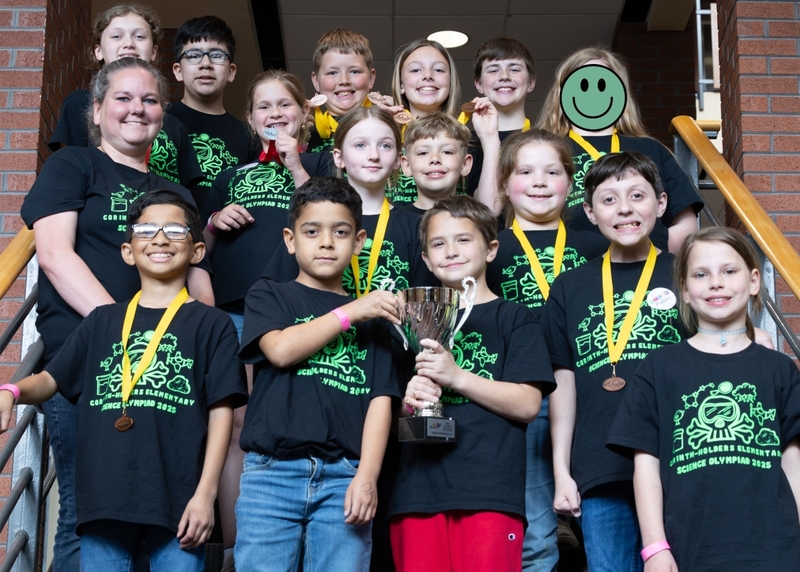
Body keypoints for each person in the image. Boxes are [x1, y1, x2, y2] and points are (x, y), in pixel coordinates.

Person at [20, 57, 213, 572]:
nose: (137, 109)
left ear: (162, 114)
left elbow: (199, 284)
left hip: (166, 374)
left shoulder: (177, 195)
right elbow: (56, 256)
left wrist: (201, 339)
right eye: (123, 98)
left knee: (164, 511)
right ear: (98, 110)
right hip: (86, 364)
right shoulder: (73, 166)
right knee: (88, 516)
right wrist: (121, 335)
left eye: (149, 100)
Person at [1, 190, 247, 571]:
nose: (160, 238)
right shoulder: (103, 320)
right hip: (104, 498)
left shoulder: (211, 324)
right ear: (128, 251)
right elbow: (50, 380)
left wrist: (206, 494)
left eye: (175, 230)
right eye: (146, 229)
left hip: (179, 500)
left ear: (198, 251)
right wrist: (12, 390)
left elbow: (221, 414)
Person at [200, 68, 333, 572]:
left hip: (301, 310)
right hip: (236, 309)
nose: (275, 114)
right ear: (251, 118)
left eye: (286, 106)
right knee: (237, 420)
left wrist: (298, 166)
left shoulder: (321, 163)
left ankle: (297, 531)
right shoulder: (230, 176)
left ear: (304, 114)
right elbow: (198, 250)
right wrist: (215, 221)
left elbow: (330, 216)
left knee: (295, 412)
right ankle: (237, 544)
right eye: (264, 107)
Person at [606, 226, 800, 571]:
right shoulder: (658, 368)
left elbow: (793, 461)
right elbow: (645, 465)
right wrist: (654, 547)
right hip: (689, 548)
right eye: (700, 274)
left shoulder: (780, 370)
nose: (716, 283)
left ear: (754, 281)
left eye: (729, 271)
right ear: (684, 289)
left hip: (775, 548)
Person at [235, 177, 401, 571]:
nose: (326, 242)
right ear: (291, 240)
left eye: (340, 232)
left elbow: (381, 401)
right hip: (271, 472)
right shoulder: (269, 294)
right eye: (312, 231)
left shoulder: (376, 318)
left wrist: (367, 476)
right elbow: (279, 350)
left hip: (345, 475)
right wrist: (349, 313)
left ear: (358, 242)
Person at [387, 195, 555, 572]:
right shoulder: (407, 320)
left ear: (491, 248)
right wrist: (408, 401)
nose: (451, 251)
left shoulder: (516, 318)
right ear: (426, 259)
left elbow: (528, 404)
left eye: (464, 239)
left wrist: (457, 377)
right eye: (438, 243)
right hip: (417, 492)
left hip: (489, 491)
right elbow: (390, 409)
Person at [541, 151, 686, 572]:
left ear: (660, 204)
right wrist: (562, 470)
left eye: (637, 195)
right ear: (589, 211)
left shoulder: (686, 274)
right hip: (600, 466)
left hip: (677, 462)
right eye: (609, 199)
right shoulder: (570, 287)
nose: (624, 209)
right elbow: (563, 388)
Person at [485, 128, 607, 572]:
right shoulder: (489, 251)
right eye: (525, 171)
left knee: (606, 519)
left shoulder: (598, 245)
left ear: (571, 185)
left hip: (594, 396)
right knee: (535, 532)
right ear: (503, 184)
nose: (539, 181)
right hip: (527, 398)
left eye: (552, 171)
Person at [536, 46, 703, 253]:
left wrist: (655, 260)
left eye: (604, 84)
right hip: (571, 272)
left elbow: (685, 223)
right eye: (582, 84)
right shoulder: (545, 151)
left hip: (648, 272)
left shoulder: (652, 149)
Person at [262, 106, 434, 296]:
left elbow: (423, 309)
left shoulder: (416, 226)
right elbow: (271, 293)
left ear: (397, 160)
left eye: (385, 145)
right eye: (360, 145)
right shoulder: (311, 222)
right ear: (339, 157)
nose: (374, 155)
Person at [47, 3, 202, 188]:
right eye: (116, 36)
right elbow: (67, 175)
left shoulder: (175, 127)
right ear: (98, 51)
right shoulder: (79, 103)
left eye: (139, 36)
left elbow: (189, 194)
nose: (129, 43)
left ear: (154, 51)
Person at [169, 15, 258, 206]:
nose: (206, 64)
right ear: (178, 71)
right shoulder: (158, 120)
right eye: (193, 55)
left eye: (217, 55)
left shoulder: (249, 137)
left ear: (231, 72)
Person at [465, 37, 537, 211]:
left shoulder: (545, 141)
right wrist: (489, 139)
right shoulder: (467, 145)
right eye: (493, 70)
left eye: (514, 69)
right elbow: (488, 209)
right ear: (479, 84)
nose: (504, 76)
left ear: (531, 82)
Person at [388, 39, 461, 205]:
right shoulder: (384, 142)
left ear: (450, 82)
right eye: (415, 70)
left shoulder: (468, 142)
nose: (428, 75)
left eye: (438, 69)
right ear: (401, 85)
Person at [307, 29, 376, 153]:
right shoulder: (305, 135)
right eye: (332, 73)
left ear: (371, 78)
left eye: (354, 71)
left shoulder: (390, 129)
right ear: (316, 81)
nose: (344, 80)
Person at [399, 112, 473, 217]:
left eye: (447, 152)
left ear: (465, 164)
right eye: (423, 153)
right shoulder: (391, 223)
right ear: (407, 166)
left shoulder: (482, 223)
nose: (435, 159)